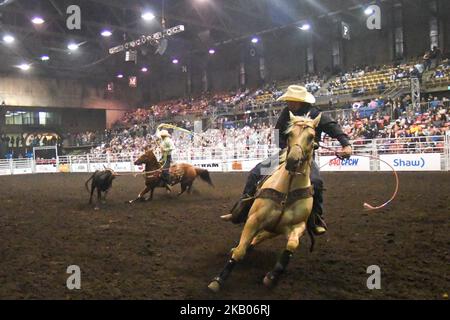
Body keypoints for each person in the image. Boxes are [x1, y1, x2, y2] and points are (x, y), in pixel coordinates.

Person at [226, 85, 352, 235]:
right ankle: (243, 207)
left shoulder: (315, 113)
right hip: (286, 153)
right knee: (255, 173)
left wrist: (346, 145)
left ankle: (316, 218)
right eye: (288, 101)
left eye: (291, 101)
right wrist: (286, 146)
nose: (289, 103)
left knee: (316, 183)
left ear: (300, 101)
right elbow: (277, 134)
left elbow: (333, 128)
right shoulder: (287, 112)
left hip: (306, 158)